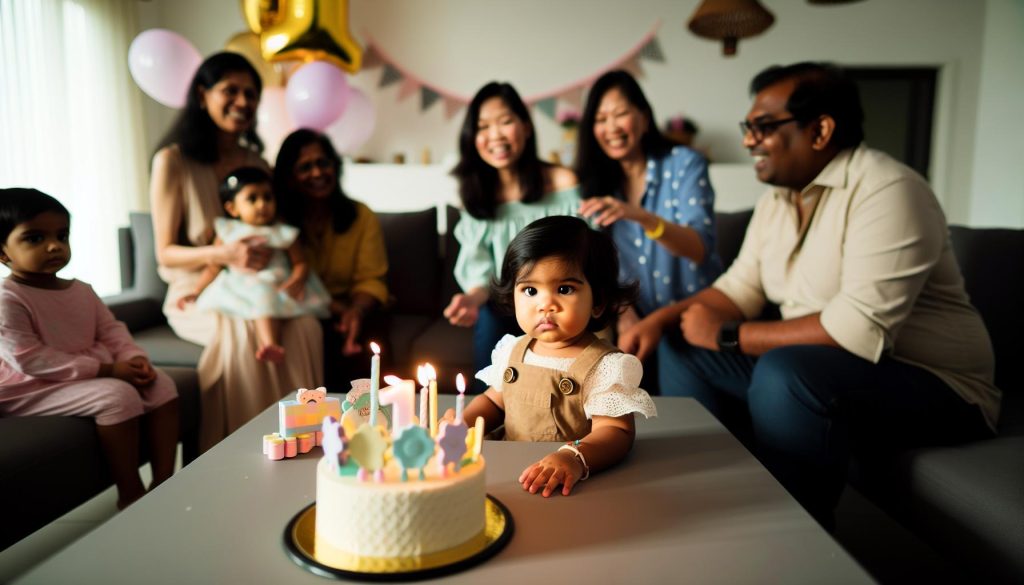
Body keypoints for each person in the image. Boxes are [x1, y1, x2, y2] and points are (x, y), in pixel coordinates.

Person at [627, 62, 1000, 528]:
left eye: (764, 127)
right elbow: (739, 288)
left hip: (938, 386)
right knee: (682, 344)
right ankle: (706, 492)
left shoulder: (889, 189)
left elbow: (856, 330)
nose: (749, 141)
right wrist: (660, 320)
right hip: (826, 369)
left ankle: (794, 532)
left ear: (821, 130)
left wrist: (726, 336)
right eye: (748, 128)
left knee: (786, 371)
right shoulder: (777, 202)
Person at [150, 52, 323, 452]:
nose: (243, 101)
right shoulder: (172, 162)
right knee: (244, 333)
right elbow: (166, 253)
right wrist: (224, 256)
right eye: (231, 91)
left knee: (306, 327)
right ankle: (239, 447)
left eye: (251, 93)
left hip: (260, 283)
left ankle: (305, 438)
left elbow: (277, 231)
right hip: (199, 287)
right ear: (202, 95)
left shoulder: (255, 162)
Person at [0, 188, 179, 509]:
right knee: (117, 396)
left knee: (162, 383)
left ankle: (165, 481)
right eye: (35, 238)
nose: (54, 245)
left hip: (83, 373)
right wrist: (107, 369)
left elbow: (111, 331)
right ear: (2, 252)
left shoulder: (82, 290)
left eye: (62, 235)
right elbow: (30, 359)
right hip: (30, 384)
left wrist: (133, 358)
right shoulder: (9, 299)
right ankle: (130, 493)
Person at [455, 216, 656, 497]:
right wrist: (461, 425)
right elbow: (492, 402)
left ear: (598, 302)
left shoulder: (604, 366)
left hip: (569, 485)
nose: (545, 304)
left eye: (564, 289)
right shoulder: (513, 350)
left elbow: (616, 432)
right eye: (530, 290)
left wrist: (574, 458)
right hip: (507, 475)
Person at [574, 70, 722, 388]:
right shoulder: (596, 184)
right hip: (635, 317)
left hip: (693, 313)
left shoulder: (684, 163)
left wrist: (640, 216)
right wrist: (625, 314)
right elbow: (600, 268)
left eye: (620, 114)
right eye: (600, 119)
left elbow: (699, 248)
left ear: (643, 117)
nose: (611, 127)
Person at [444, 82, 580, 392]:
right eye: (483, 127)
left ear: (526, 127)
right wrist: (471, 298)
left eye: (505, 122)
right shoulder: (476, 196)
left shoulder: (563, 182)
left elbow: (586, 254)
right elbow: (481, 274)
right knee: (490, 317)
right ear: (472, 138)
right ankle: (486, 410)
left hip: (558, 299)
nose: (495, 135)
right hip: (504, 306)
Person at [274, 129, 390, 388]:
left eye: (323, 163)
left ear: (335, 167)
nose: (317, 173)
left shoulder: (361, 216)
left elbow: (371, 279)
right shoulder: (279, 224)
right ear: (289, 177)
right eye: (305, 167)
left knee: (367, 340)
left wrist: (355, 311)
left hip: (354, 308)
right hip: (303, 309)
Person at [177, 167, 329, 363]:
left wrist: (297, 278)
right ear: (232, 208)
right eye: (252, 199)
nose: (262, 204)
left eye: (267, 197)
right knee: (260, 294)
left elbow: (300, 262)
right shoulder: (228, 232)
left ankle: (270, 343)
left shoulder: (282, 232)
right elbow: (214, 266)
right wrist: (197, 290)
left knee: (264, 294)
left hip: (275, 281)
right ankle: (270, 343)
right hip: (239, 286)